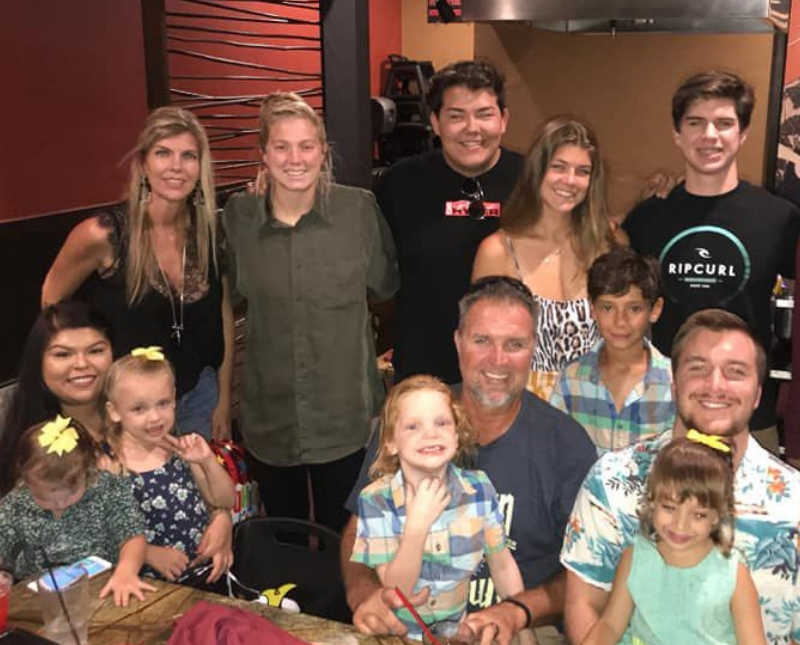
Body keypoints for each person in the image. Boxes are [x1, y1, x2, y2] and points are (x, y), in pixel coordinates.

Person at [341, 276, 597, 645]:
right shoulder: (412, 422)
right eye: (482, 341)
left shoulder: (566, 445)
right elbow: (356, 530)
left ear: (533, 350)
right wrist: (363, 594)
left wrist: (517, 611)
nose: (498, 360)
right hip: (405, 624)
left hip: (523, 625)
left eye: (515, 344)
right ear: (458, 342)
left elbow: (587, 571)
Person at [561, 309, 800, 645]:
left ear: (758, 395)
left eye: (735, 372)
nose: (715, 385)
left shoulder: (794, 502)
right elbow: (587, 607)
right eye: (698, 368)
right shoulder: (613, 481)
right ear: (674, 384)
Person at [222, 91, 399, 533]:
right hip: (269, 419)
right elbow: (226, 303)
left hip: (345, 420)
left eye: (306, 145)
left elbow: (386, 287)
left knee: (350, 546)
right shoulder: (239, 218)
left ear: (323, 151)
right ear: (263, 154)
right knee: (283, 544)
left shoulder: (358, 211)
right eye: (281, 146)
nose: (295, 158)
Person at [622, 70, 800, 447]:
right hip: (662, 411)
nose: (709, 136)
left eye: (724, 123)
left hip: (749, 415)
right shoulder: (646, 219)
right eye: (696, 123)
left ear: (743, 134)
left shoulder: (779, 219)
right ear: (677, 134)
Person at [41, 107, 234, 441]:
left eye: (188, 156)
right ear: (144, 163)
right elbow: (51, 306)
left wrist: (224, 398)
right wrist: (84, 394)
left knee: (193, 494)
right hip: (127, 408)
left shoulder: (209, 234)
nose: (176, 166)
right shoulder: (102, 235)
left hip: (198, 398)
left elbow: (224, 312)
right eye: (163, 153)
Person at [377, 59, 524, 384]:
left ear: (504, 120)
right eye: (457, 116)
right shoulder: (399, 184)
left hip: (511, 377)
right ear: (435, 122)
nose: (472, 128)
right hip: (424, 376)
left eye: (484, 114)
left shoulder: (532, 180)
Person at [351, 375, 527, 641]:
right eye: (413, 426)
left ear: (457, 434)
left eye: (442, 423)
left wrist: (522, 629)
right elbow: (396, 590)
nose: (431, 433)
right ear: (390, 442)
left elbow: (502, 565)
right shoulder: (376, 500)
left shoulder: (479, 489)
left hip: (454, 635)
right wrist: (416, 528)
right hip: (396, 636)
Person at [473, 116, 621, 401]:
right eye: (558, 167)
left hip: (597, 411)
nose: (570, 180)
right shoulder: (498, 252)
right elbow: (480, 352)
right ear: (537, 171)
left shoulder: (609, 246)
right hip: (522, 412)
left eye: (582, 171)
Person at [582, 434, 766, 645]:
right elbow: (610, 625)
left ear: (717, 515)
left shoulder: (733, 574)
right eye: (669, 508)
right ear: (652, 501)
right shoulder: (635, 558)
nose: (680, 525)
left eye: (698, 515)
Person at [100, 348, 235, 584]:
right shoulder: (108, 464)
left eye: (163, 403)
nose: (154, 417)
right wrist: (148, 553)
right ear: (114, 411)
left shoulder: (179, 449)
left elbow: (224, 500)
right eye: (139, 409)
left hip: (205, 575)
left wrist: (206, 461)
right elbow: (96, 531)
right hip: (149, 588)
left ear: (174, 398)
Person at [0, 415, 154, 607]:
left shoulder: (107, 489)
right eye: (43, 497)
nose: (58, 503)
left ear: (88, 471)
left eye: (70, 493)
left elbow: (132, 537)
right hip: (41, 604)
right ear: (26, 481)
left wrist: (126, 573)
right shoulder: (16, 504)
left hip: (107, 591)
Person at [549, 247, 674, 455]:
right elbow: (554, 449)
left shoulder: (674, 383)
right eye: (608, 307)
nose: (620, 321)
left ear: (655, 310)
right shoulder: (571, 380)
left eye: (634, 309)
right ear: (592, 309)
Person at [0, 301, 113, 497]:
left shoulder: (143, 415)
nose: (81, 364)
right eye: (62, 354)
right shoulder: (10, 418)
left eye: (96, 351)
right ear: (38, 361)